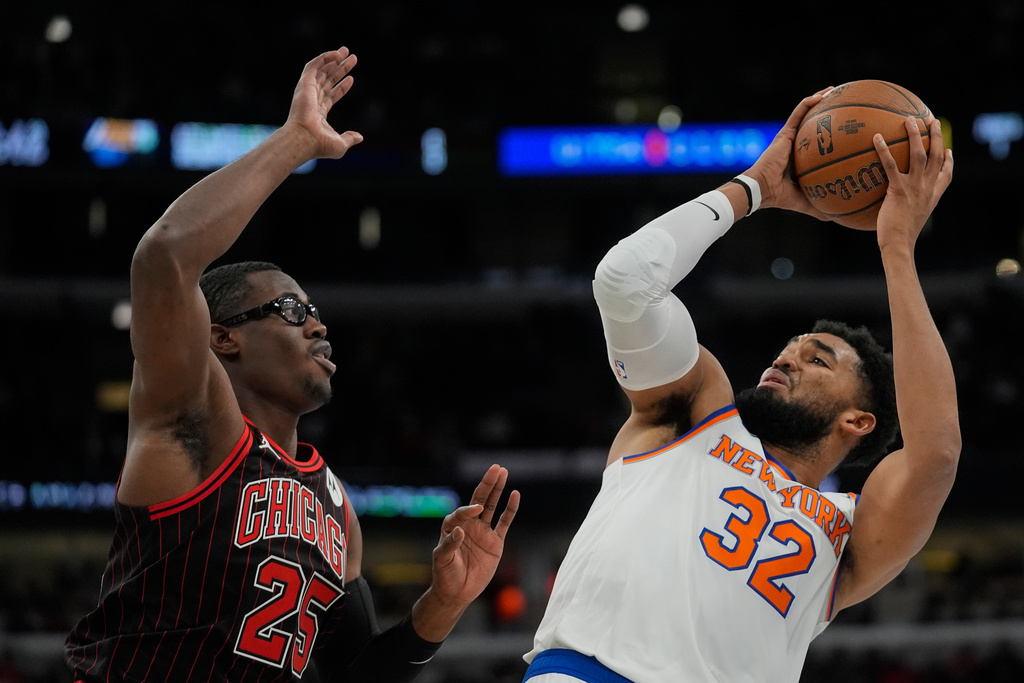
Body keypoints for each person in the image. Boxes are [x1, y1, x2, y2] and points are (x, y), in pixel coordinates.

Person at [64, 46, 519, 683]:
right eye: (288, 307)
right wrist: (296, 140)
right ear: (222, 340)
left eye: (314, 309)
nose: (318, 323)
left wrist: (442, 606)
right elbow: (164, 257)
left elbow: (354, 677)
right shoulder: (196, 424)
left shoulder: (337, 508)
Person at [522, 89, 958, 682]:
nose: (786, 359)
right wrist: (754, 189)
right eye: (788, 349)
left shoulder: (846, 532)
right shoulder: (695, 416)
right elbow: (625, 282)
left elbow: (935, 454)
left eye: (818, 360)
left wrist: (897, 248)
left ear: (858, 420)